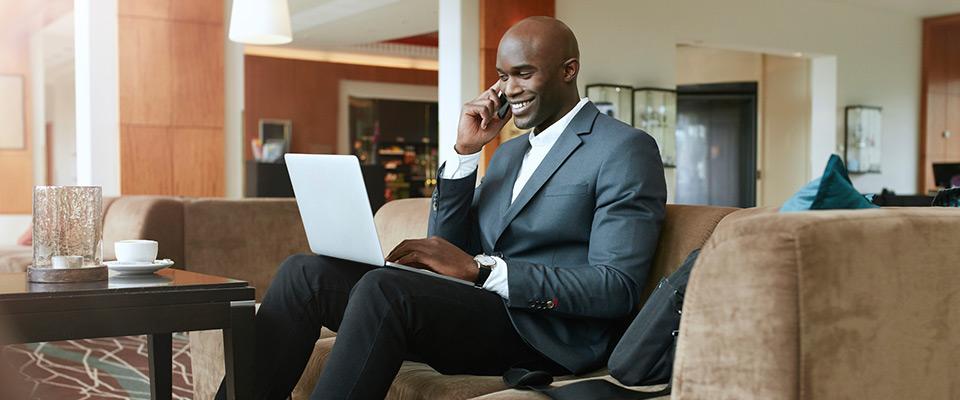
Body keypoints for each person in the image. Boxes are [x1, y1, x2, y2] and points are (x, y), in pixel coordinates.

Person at [217, 16, 666, 400]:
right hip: (483, 310)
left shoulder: (623, 149)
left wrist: (484, 272)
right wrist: (465, 152)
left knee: (384, 288)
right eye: (502, 75)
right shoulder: (508, 153)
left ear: (569, 70)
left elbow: (616, 287)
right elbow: (450, 244)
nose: (509, 89)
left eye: (524, 74)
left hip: (548, 333)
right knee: (305, 273)